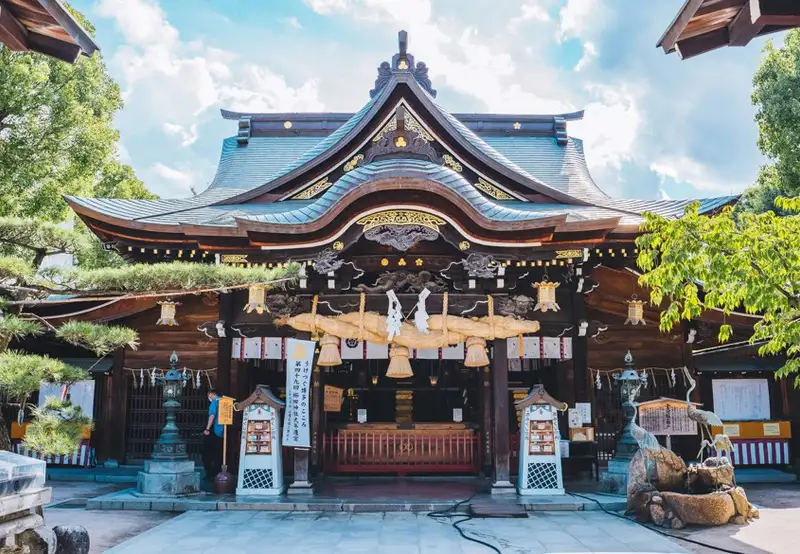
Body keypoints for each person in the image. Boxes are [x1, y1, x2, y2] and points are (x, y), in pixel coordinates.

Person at [202, 388, 224, 480]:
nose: (208, 397)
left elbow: (212, 415)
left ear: (212, 393)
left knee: (207, 453)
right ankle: (217, 472)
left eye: (209, 395)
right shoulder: (224, 402)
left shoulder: (214, 402)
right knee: (218, 453)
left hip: (213, 430)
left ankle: (210, 473)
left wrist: (207, 428)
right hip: (222, 431)